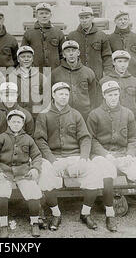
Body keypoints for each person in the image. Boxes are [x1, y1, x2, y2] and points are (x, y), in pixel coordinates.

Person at [35, 82, 117, 231]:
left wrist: (83, 158)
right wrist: (53, 161)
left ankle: (85, 213)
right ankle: (56, 214)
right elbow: (40, 140)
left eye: (66, 94)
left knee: (93, 172)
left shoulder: (75, 114)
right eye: (60, 94)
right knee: (45, 175)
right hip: (53, 157)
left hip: (75, 156)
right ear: (53, 95)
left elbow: (85, 138)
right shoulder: (44, 114)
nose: (64, 97)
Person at [86, 81, 136, 233]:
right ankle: (110, 215)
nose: (113, 98)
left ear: (119, 95)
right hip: (103, 155)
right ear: (104, 95)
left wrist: (129, 154)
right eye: (110, 95)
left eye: (115, 94)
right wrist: (105, 155)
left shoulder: (127, 113)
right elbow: (91, 139)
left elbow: (134, 138)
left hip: (123, 154)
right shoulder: (95, 114)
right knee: (107, 175)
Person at [0, 82, 35, 234]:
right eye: (5, 94)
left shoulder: (25, 114)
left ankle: (37, 214)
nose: (9, 97)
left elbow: (30, 138)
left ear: (16, 95)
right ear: (0, 95)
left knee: (36, 171)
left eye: (12, 94)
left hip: (20, 158)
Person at [0, 110, 43, 238]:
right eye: (13, 121)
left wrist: (35, 169)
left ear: (23, 124)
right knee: (1, 192)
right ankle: (4, 225)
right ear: (8, 123)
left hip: (23, 173)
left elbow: (37, 156)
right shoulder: (1, 138)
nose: (16, 124)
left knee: (33, 191)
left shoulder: (28, 139)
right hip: (5, 172)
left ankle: (34, 223)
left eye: (19, 122)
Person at [67, 6, 113, 107]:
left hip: (97, 77)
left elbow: (107, 57)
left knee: (95, 103)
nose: (84, 20)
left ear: (92, 18)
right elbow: (66, 56)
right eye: (82, 18)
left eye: (87, 17)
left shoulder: (101, 35)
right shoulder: (72, 36)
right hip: (77, 76)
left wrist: (108, 75)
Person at [51, 40, 97, 120]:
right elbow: (50, 97)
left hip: (84, 114)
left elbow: (94, 96)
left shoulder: (88, 72)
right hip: (62, 114)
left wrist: (91, 113)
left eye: (74, 50)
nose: (71, 53)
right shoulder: (55, 73)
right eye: (68, 51)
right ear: (64, 54)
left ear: (78, 53)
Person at [21, 2, 65, 70]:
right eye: (41, 13)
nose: (44, 16)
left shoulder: (58, 33)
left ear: (50, 15)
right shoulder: (28, 33)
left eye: (46, 13)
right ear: (36, 15)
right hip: (35, 71)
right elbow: (23, 54)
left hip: (54, 71)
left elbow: (63, 54)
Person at [100, 50, 136, 116]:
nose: (123, 65)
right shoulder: (104, 81)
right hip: (110, 117)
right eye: (119, 61)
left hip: (130, 117)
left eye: (125, 62)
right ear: (114, 62)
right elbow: (99, 103)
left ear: (128, 63)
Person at [108, 10, 136, 78]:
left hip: (134, 73)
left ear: (129, 20)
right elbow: (108, 57)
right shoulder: (110, 38)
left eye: (125, 19)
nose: (123, 22)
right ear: (115, 21)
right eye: (120, 19)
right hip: (116, 74)